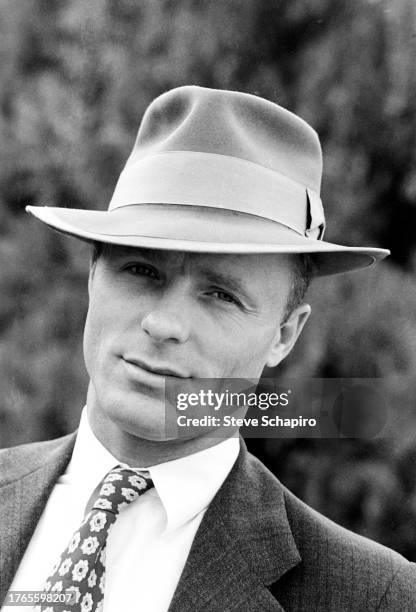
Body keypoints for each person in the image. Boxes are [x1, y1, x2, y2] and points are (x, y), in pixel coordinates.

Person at [0, 85, 414, 612]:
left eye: (221, 295)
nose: (164, 323)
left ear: (285, 334)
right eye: (141, 270)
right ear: (91, 276)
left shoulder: (372, 596)